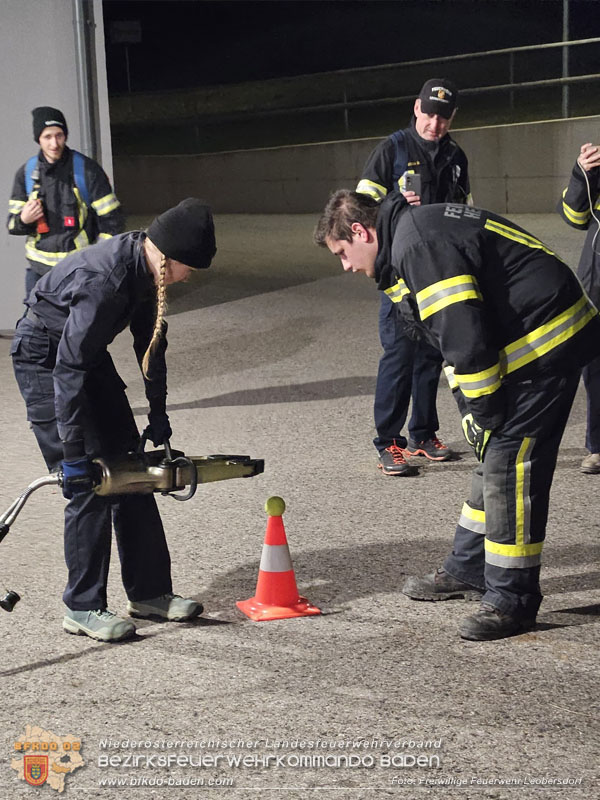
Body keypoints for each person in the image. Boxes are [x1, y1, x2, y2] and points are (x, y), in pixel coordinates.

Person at [314, 189, 600, 640]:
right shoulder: (411, 236)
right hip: (533, 334)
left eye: (343, 254)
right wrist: (473, 410)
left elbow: (463, 337)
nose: (346, 266)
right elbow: (448, 341)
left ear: (360, 231)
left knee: (509, 464)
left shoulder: (417, 246)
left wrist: (484, 411)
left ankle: (513, 600)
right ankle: (469, 568)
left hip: (545, 344)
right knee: (492, 456)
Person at [11, 198, 217, 642]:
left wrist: (158, 415)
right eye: (189, 269)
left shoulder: (148, 274)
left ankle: (149, 593)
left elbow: (150, 347)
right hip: (44, 359)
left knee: (133, 470)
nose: (188, 278)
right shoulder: (105, 282)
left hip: (84, 357)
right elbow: (67, 369)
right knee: (91, 479)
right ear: (169, 257)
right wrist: (71, 452)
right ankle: (81, 606)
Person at [356, 79, 472, 477]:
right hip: (399, 274)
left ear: (452, 117)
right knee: (399, 356)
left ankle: (423, 434)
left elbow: (464, 212)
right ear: (416, 108)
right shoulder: (392, 149)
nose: (434, 124)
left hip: (438, 272)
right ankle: (388, 442)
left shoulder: (456, 156)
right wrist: (394, 202)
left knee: (430, 356)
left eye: (443, 117)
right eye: (429, 113)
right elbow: (359, 210)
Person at [7, 107, 124, 298]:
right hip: (39, 275)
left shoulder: (87, 171)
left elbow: (112, 220)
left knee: (79, 327)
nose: (54, 143)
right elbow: (12, 225)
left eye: (59, 135)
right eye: (47, 137)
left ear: (65, 135)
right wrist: (24, 219)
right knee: (36, 327)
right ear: (38, 139)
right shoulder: (27, 174)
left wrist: (97, 260)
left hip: (79, 272)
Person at [557, 142, 600, 474]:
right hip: (597, 280)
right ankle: (597, 447)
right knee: (595, 366)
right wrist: (582, 171)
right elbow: (574, 216)